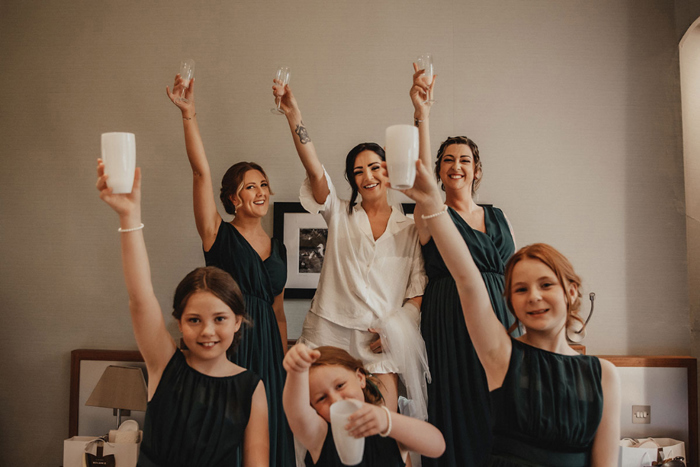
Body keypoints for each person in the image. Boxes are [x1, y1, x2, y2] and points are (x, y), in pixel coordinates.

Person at [400, 159, 621, 466]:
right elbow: (466, 277)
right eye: (520, 289)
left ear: (571, 291)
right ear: (510, 301)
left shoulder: (603, 376)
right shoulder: (502, 357)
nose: (533, 297)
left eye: (545, 284)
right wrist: (430, 202)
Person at [95, 161, 268, 467]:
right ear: (179, 323)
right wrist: (129, 216)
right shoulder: (164, 364)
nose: (207, 331)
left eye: (220, 319)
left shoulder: (252, 387)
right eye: (194, 320)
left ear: (238, 321)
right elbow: (140, 295)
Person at [272, 80, 428, 417]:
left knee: (383, 427)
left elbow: (416, 294)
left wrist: (395, 333)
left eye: (374, 167)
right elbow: (314, 167)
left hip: (379, 340)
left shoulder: (411, 227)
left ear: (388, 171)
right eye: (358, 171)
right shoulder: (340, 214)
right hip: (327, 332)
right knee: (321, 426)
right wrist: (293, 114)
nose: (367, 176)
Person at [167, 74, 294, 466]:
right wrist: (189, 115)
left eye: (264, 185)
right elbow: (200, 173)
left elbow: (277, 310)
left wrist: (286, 362)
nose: (261, 192)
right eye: (250, 186)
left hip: (271, 351)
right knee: (231, 433)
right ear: (232, 198)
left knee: (271, 433)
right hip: (230, 341)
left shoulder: (280, 248)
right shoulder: (216, 235)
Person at [409, 64, 520, 466]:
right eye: (448, 160)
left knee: (500, 401)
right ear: (437, 171)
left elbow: (513, 272)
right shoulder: (428, 213)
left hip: (502, 315)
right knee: (458, 400)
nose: (457, 166)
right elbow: (418, 171)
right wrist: (422, 112)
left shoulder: (498, 215)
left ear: (476, 170)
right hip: (449, 317)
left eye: (465, 160)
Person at [283, 343, 446, 466]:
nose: (335, 400)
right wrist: (296, 372)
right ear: (313, 407)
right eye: (321, 398)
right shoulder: (318, 435)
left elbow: (437, 446)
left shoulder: (390, 428)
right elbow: (297, 413)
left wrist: (387, 420)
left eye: (340, 386)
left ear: (360, 378)